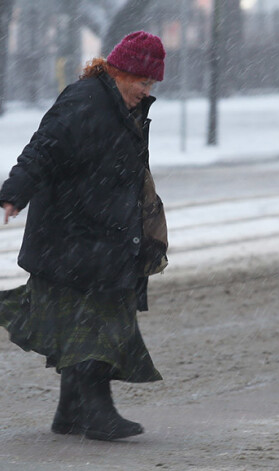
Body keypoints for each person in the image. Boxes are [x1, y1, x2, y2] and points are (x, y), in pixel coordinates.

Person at [0, 31, 168, 441]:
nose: (146, 92)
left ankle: (71, 412)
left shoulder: (122, 106)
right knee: (99, 325)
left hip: (98, 235)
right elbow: (44, 148)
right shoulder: (86, 101)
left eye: (152, 85)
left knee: (85, 322)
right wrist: (14, 193)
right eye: (142, 83)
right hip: (76, 236)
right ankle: (96, 413)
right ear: (119, 72)